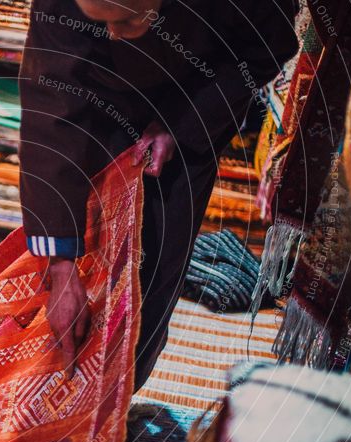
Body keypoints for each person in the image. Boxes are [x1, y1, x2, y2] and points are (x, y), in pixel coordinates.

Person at [19, 0, 299, 386]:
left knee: (149, 282)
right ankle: (55, 407)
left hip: (192, 98)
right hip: (97, 94)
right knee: (72, 253)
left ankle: (114, 412)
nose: (115, 34)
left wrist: (179, 124)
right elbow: (50, 107)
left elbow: (267, 51)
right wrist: (61, 265)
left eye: (127, 20)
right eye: (104, 23)